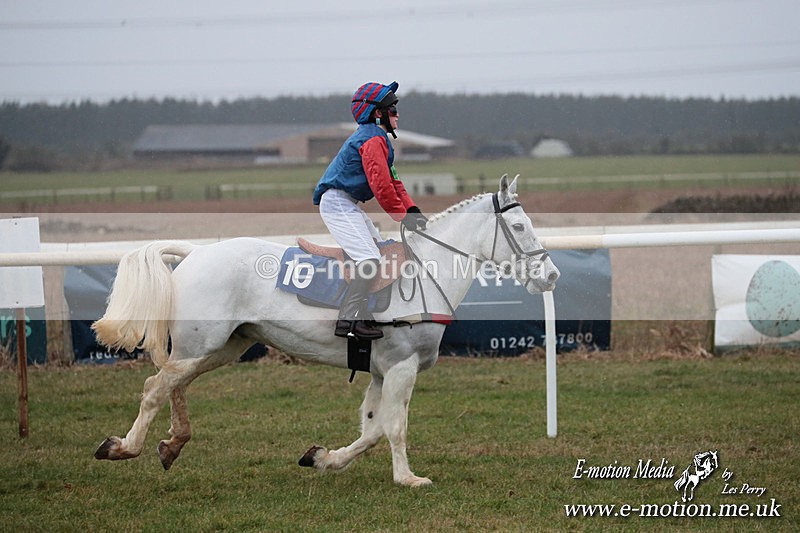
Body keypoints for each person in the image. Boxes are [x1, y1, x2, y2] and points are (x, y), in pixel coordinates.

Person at [312, 81, 428, 340]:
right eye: (393, 109)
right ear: (378, 113)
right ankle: (348, 320)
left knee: (381, 252)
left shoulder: (378, 139)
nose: (397, 115)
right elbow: (382, 187)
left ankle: (367, 314)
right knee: (369, 260)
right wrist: (402, 217)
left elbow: (394, 182)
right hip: (337, 203)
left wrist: (412, 210)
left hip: (346, 203)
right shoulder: (372, 140)